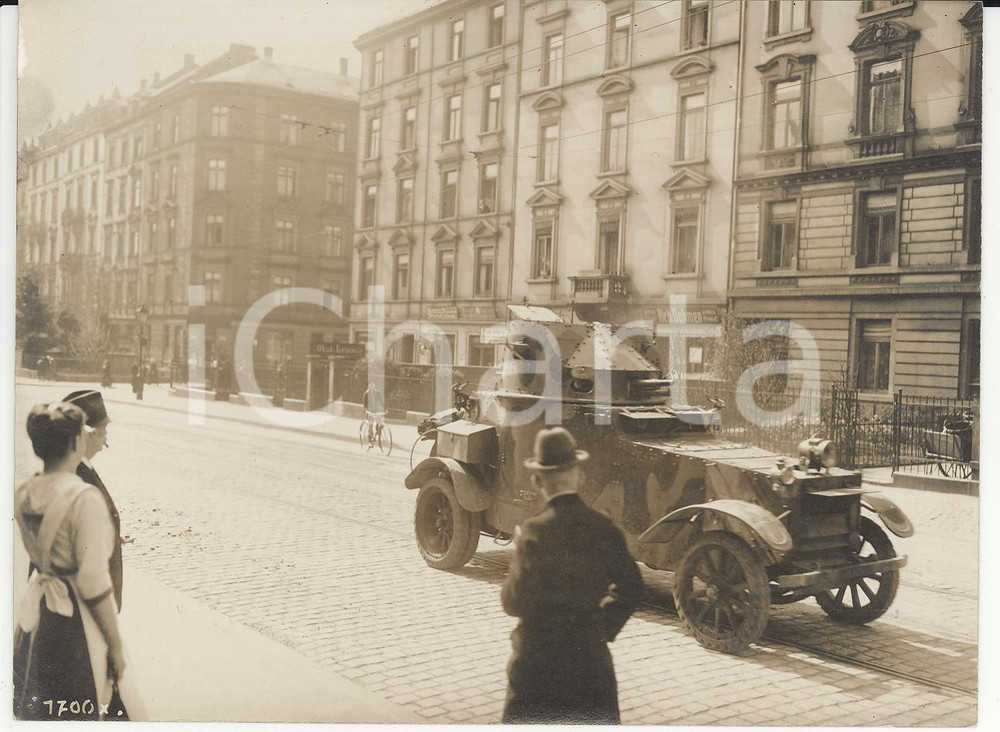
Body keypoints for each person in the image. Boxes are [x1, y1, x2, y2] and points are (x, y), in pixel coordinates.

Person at [501, 427, 643, 725]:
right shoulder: (604, 527)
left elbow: (514, 602)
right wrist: (600, 627)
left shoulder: (533, 532)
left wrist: (519, 555)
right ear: (579, 474)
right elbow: (631, 586)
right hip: (590, 664)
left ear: (538, 480)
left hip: (537, 665)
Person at [13, 403, 128, 720]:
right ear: (76, 442)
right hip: (75, 621)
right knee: (82, 709)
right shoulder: (84, 498)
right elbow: (93, 582)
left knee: (38, 705)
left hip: (37, 615)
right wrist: (115, 644)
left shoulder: (22, 492)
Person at [63, 390, 124, 612]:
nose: (106, 437)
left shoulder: (82, 468)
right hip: (84, 612)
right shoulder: (78, 480)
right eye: (103, 430)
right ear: (89, 434)